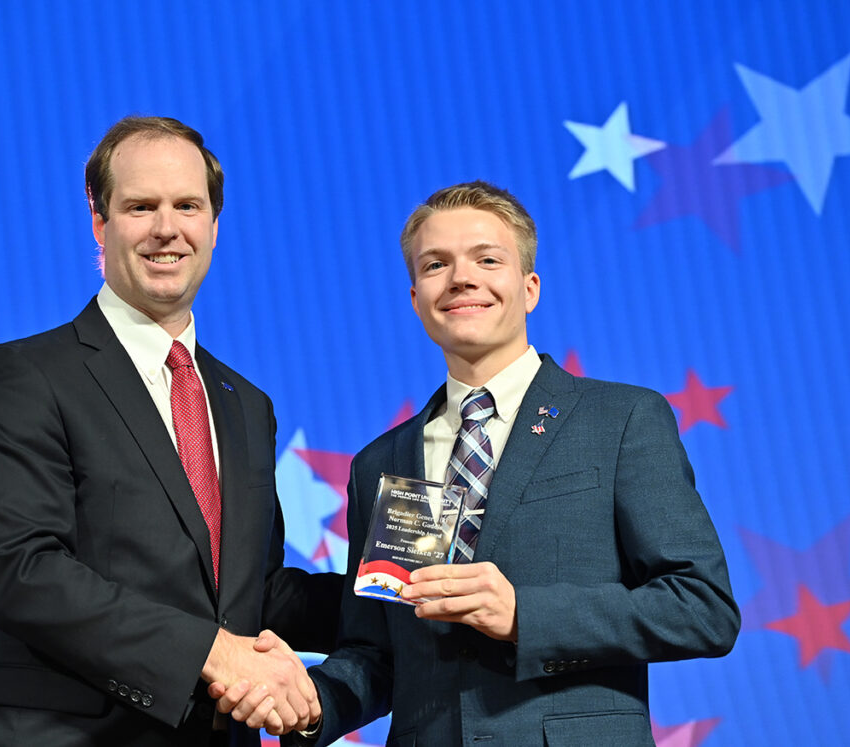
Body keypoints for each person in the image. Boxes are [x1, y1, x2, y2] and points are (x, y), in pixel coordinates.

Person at [217, 181, 740, 745]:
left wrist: (524, 616)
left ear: (529, 287)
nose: (462, 278)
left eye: (487, 259)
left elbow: (702, 607)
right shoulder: (380, 464)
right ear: (416, 297)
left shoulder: (621, 420)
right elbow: (379, 651)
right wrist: (312, 702)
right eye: (436, 264)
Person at [0, 116, 341, 746]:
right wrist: (211, 652)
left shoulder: (246, 404)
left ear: (213, 227)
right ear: (100, 224)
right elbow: (23, 570)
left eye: (188, 205)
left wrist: (402, 599)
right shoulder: (26, 374)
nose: (168, 228)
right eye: (141, 206)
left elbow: (253, 595)